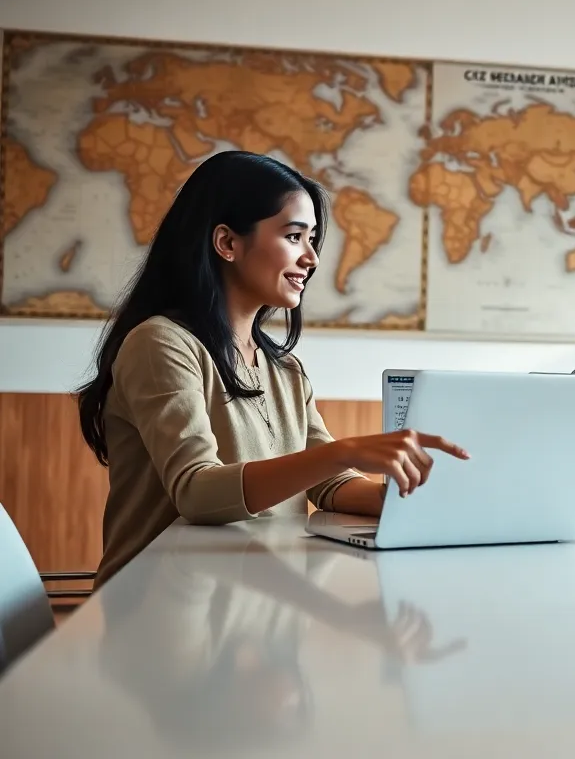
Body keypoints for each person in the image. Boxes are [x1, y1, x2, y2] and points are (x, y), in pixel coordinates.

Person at [77, 150, 470, 587]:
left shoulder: (284, 369)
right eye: (294, 236)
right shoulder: (161, 344)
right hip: (157, 608)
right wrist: (344, 450)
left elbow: (329, 484)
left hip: (257, 600)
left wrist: (412, 500)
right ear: (227, 243)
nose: (312, 259)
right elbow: (196, 492)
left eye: (312, 239)